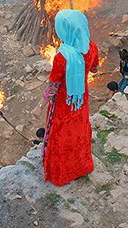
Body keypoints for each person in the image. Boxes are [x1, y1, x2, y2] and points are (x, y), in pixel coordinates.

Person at [33, 10, 98, 185]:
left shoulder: (62, 58)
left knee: (61, 136)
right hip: (80, 100)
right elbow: (95, 70)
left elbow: (53, 87)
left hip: (63, 104)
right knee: (79, 132)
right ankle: (81, 166)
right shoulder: (91, 47)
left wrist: (39, 106)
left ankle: (61, 173)